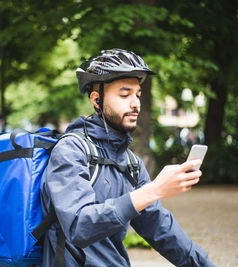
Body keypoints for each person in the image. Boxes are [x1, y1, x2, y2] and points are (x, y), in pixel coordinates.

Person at [40, 49, 215, 266]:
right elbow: (79, 226)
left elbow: (159, 227)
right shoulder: (71, 150)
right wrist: (154, 190)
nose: (135, 104)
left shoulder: (132, 163)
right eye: (124, 95)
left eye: (138, 95)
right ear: (97, 100)